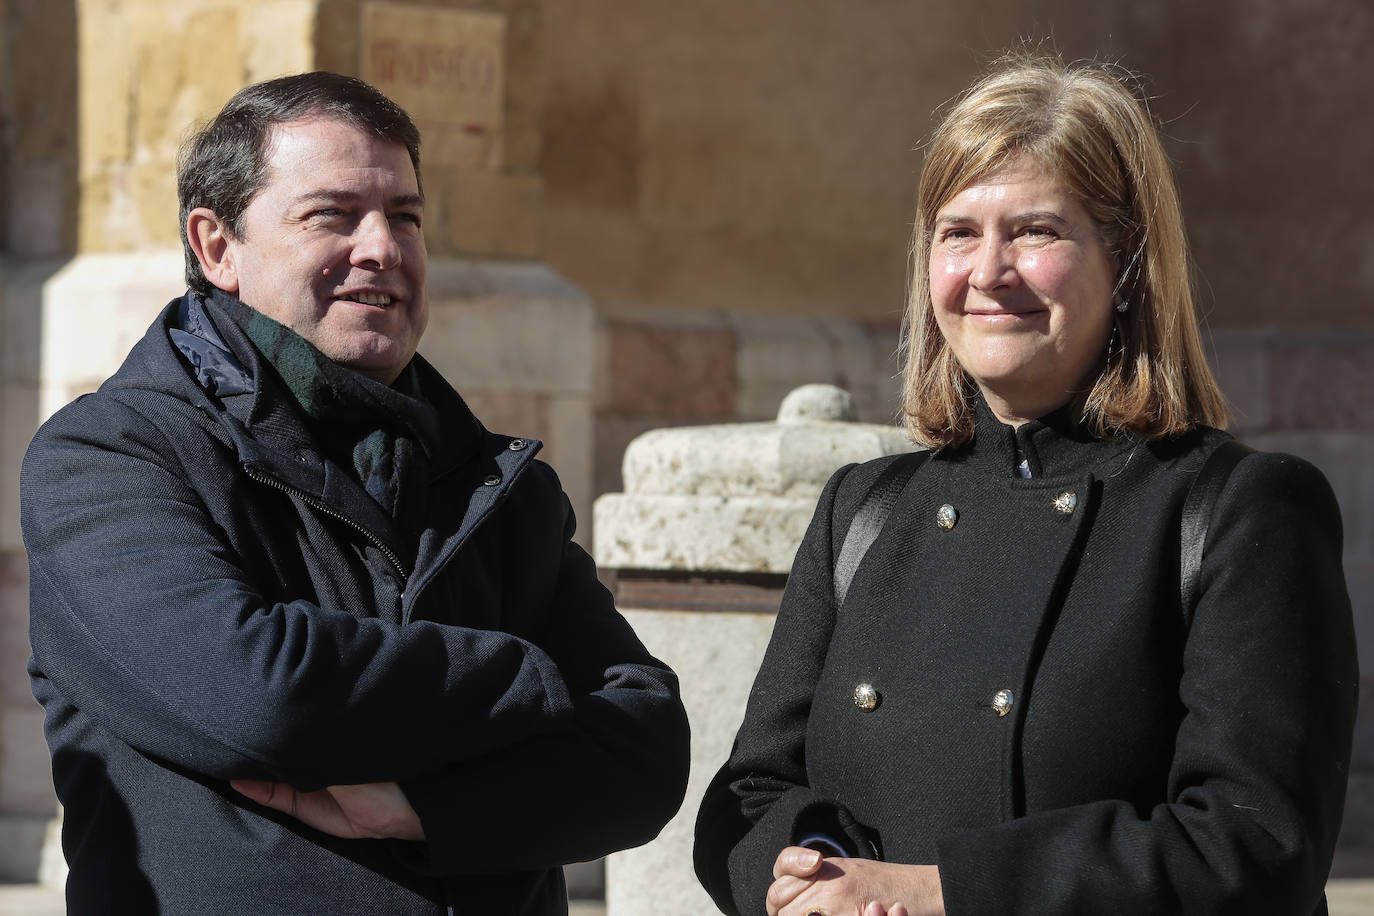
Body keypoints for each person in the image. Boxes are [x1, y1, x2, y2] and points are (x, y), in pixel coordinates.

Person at [693, 53, 1357, 916]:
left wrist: (941, 895)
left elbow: (1252, 849)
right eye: (958, 232)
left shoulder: (1236, 508)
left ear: (1124, 262)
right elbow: (746, 797)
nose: (987, 272)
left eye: (1036, 231)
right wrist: (814, 873)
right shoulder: (862, 510)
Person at [21, 71, 690, 915]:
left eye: (404, 216)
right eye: (331, 215)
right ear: (216, 246)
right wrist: (533, 678)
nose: (382, 246)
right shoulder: (112, 455)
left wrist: (427, 812)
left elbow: (646, 755)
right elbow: (260, 693)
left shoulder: (499, 483)